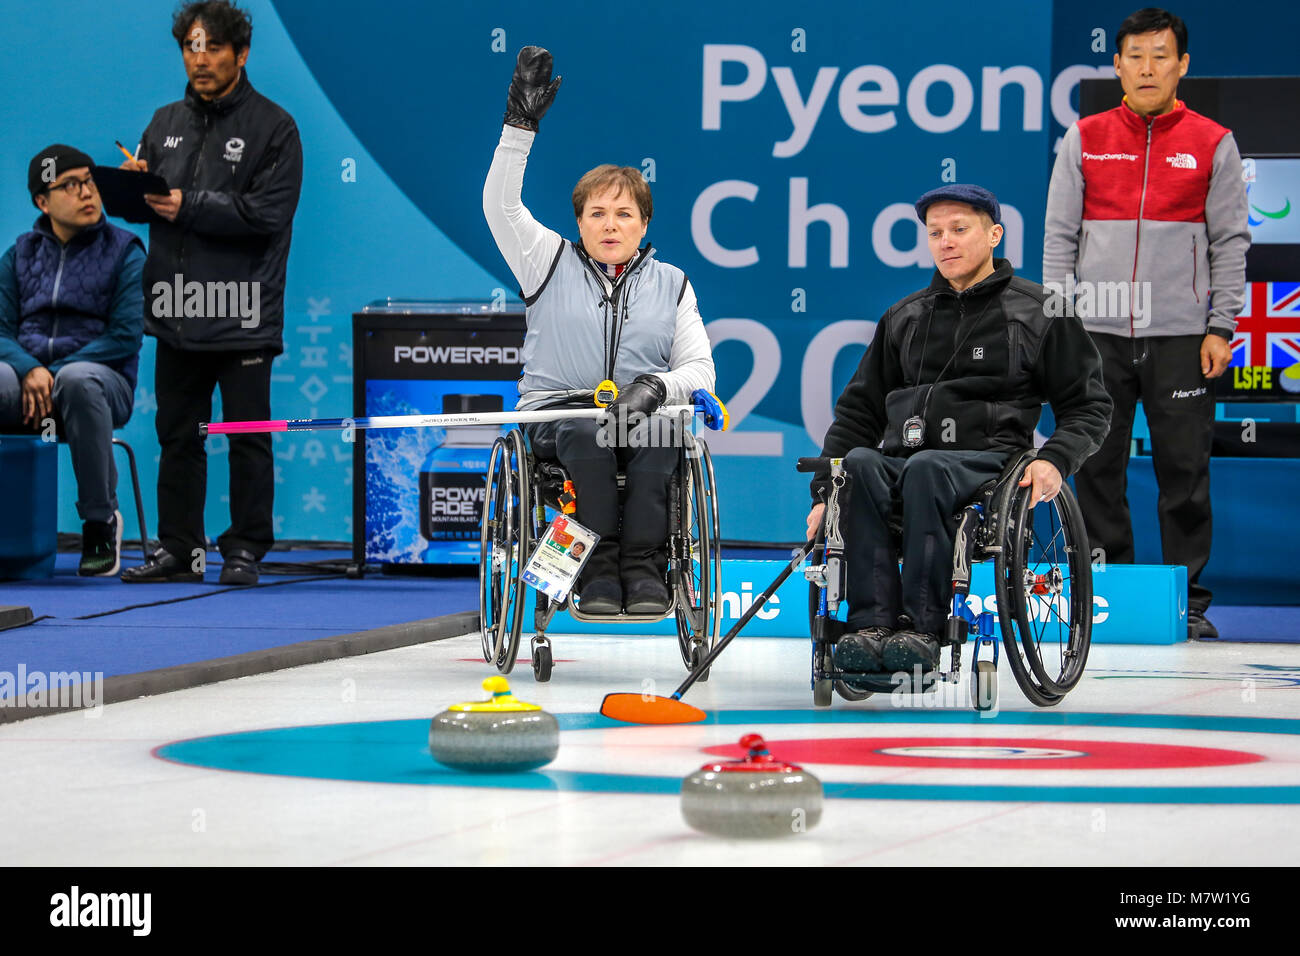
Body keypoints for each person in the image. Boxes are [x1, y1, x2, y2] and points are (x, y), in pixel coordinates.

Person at [807, 185, 1111, 675]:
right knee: (861, 464)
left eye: (959, 230)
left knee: (928, 467)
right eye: (935, 233)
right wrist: (824, 494)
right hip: (904, 461)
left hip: (990, 462)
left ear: (994, 235)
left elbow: (1089, 406)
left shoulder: (1039, 312)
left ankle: (922, 628)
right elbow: (858, 413)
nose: (945, 242)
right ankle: (872, 627)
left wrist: (1056, 459)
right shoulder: (905, 317)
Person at [483, 47, 715, 614]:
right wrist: (520, 126)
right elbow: (500, 206)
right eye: (596, 214)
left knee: (665, 438)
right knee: (589, 436)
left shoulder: (672, 282)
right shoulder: (545, 260)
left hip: (640, 414)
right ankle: (594, 571)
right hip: (557, 416)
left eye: (624, 214)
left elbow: (700, 370)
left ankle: (644, 571)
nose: (610, 225)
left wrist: (656, 389)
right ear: (579, 222)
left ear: (645, 223)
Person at [1043, 7, 1250, 640]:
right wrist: (1059, 324)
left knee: (1183, 472)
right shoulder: (1084, 137)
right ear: (1118, 64)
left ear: (1182, 65)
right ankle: (1109, 592)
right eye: (1135, 55)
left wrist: (1220, 325)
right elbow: (1059, 238)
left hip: (1183, 335)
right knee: (1097, 467)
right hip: (1096, 335)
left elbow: (1230, 242)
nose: (1148, 67)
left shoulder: (1214, 141)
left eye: (1161, 55)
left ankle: (1184, 601)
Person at [119, 0, 303, 585]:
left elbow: (268, 214)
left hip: (243, 312)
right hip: (176, 311)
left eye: (213, 48)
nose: (200, 59)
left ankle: (245, 548)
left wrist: (187, 204)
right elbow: (151, 209)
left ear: (241, 54)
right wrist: (135, 190)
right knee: (177, 436)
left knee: (246, 437)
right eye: (190, 48)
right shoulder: (163, 121)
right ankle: (178, 549)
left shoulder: (275, 128)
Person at [0, 146, 145, 576]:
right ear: (42, 202)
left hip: (101, 385)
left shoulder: (125, 251)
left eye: (90, 181)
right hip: (29, 384)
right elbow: (1, 331)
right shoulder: (19, 254)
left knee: (78, 380)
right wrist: (30, 369)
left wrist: (53, 373)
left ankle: (100, 522)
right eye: (70, 185)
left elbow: (124, 336)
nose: (87, 193)